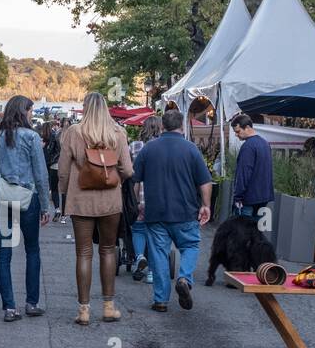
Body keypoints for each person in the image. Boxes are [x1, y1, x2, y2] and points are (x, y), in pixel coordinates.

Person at [59, 91, 134, 325]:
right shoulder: (117, 133)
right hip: (110, 200)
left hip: (81, 199)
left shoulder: (73, 132)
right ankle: (108, 307)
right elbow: (128, 170)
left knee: (83, 253)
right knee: (108, 249)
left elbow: (62, 170)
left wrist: (63, 192)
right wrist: (113, 175)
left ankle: (83, 310)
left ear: (85, 108)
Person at [134, 108, 212, 313]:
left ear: (162, 126)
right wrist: (206, 205)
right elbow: (205, 182)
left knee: (159, 253)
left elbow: (136, 181)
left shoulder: (148, 149)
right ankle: (184, 278)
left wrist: (138, 204)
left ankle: (160, 300)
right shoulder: (191, 149)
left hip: (155, 211)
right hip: (185, 210)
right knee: (191, 246)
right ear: (182, 126)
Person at [0, 95, 52, 321]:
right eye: (31, 111)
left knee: (3, 254)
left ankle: (9, 307)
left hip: (4, 198)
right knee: (32, 250)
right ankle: (31, 302)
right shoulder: (32, 137)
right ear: (24, 111)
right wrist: (46, 205)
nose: (32, 115)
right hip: (28, 197)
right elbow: (41, 174)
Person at [128, 115, 163, 278]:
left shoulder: (134, 146)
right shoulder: (163, 146)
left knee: (138, 228)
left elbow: (127, 170)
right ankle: (151, 273)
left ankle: (139, 256)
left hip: (138, 195)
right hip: (158, 197)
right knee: (155, 233)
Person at [230, 113, 274, 219]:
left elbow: (243, 174)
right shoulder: (265, 143)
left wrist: (237, 197)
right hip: (264, 197)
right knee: (255, 233)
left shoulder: (248, 146)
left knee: (242, 232)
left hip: (248, 199)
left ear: (248, 128)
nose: (236, 135)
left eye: (238, 131)